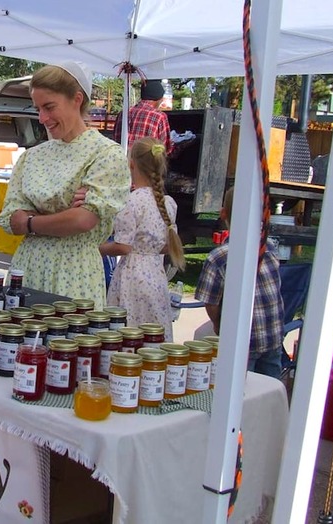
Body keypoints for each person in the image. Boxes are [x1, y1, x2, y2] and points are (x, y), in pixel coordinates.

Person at [0, 61, 130, 309]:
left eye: (49, 107)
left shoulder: (106, 154)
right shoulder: (32, 156)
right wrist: (64, 214)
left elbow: (83, 221)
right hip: (28, 268)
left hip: (75, 270)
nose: (42, 118)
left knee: (66, 342)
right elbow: (11, 219)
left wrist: (32, 221)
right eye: (37, 109)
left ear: (77, 99)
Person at [194, 187, 284, 378]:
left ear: (223, 213)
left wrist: (219, 325)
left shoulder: (218, 257)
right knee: (269, 386)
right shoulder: (268, 247)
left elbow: (210, 302)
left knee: (240, 390)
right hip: (273, 336)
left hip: (243, 340)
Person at [101, 138, 185, 341]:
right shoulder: (167, 203)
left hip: (133, 275)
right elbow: (166, 245)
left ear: (131, 164)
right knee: (153, 329)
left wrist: (99, 248)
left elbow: (123, 246)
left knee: (129, 328)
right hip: (156, 274)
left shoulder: (132, 201)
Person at [113, 79, 174, 156]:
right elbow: (164, 148)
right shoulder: (159, 117)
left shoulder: (123, 113)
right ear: (159, 98)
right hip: (145, 165)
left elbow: (116, 141)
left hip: (122, 163)